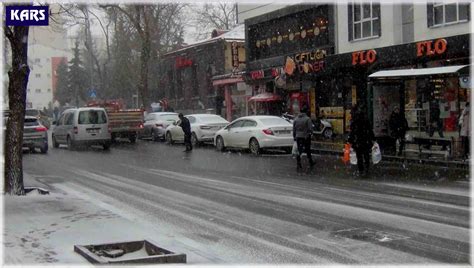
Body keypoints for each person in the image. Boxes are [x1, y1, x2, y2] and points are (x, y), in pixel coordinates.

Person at [348, 104, 375, 176]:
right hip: (365, 139)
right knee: (366, 155)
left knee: (359, 156)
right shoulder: (365, 118)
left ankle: (361, 170)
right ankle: (366, 167)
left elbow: (352, 131)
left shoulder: (354, 120)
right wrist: (372, 138)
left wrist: (350, 140)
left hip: (358, 140)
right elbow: (369, 129)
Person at [293, 106, 314, 170]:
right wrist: (311, 133)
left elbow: (294, 129)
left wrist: (294, 137)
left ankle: (298, 163)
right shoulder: (307, 119)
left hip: (298, 137)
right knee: (308, 150)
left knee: (299, 150)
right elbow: (310, 128)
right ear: (306, 112)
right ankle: (310, 162)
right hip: (306, 137)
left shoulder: (296, 119)